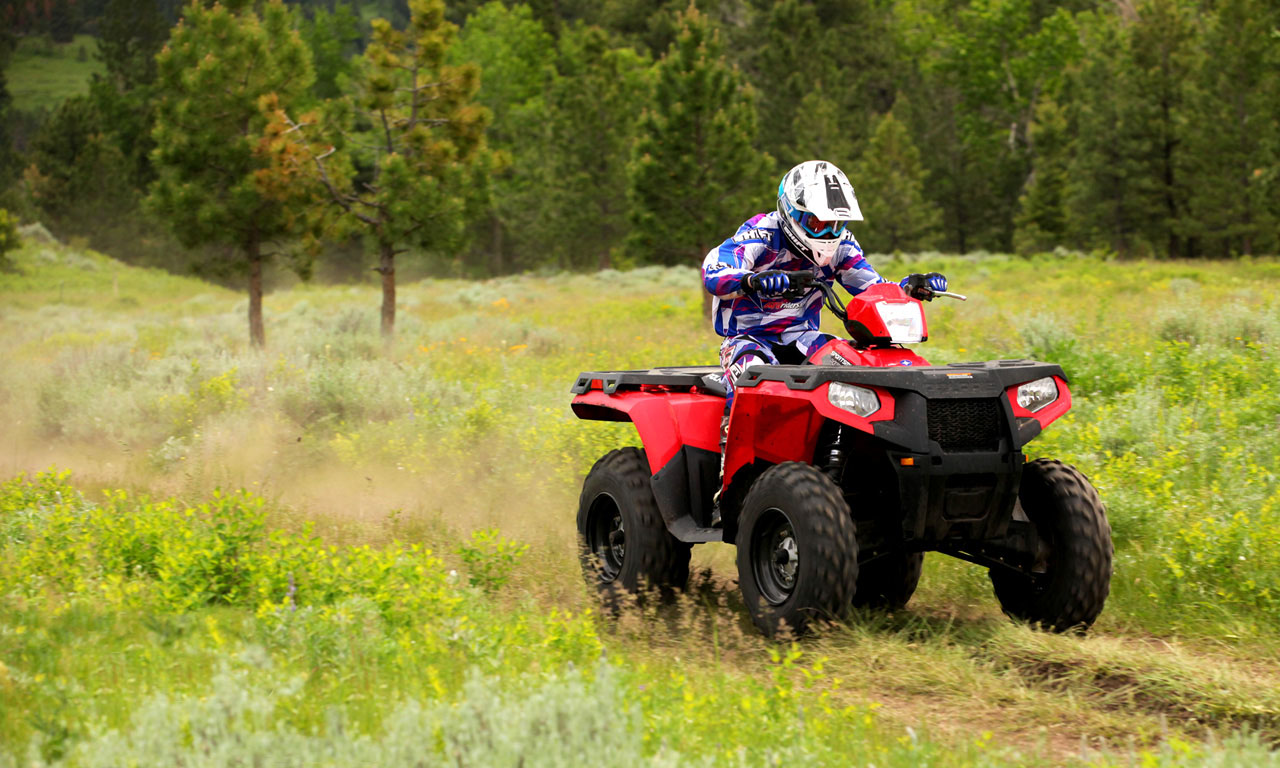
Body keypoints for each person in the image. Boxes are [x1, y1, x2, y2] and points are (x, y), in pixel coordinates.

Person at [702, 160, 947, 496]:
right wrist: (752, 279)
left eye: (835, 221)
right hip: (749, 338)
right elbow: (715, 271)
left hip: (805, 338)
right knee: (752, 379)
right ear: (794, 212)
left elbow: (872, 287)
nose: (828, 230)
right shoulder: (763, 233)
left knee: (856, 367)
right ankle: (728, 486)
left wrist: (910, 288)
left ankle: (852, 467)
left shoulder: (841, 246)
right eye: (818, 221)